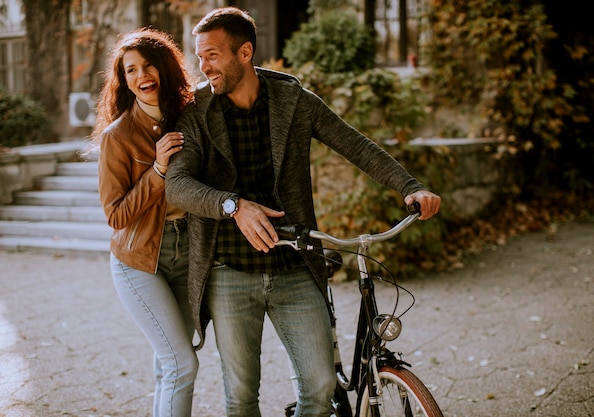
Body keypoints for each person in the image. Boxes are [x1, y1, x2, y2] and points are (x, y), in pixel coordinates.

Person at [165, 6, 442, 417]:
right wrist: (233, 206)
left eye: (211, 55)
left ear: (245, 53)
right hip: (228, 272)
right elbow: (178, 184)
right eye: (199, 55)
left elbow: (356, 145)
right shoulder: (197, 113)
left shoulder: (293, 101)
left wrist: (411, 187)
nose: (202, 66)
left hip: (294, 265)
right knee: (241, 399)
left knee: (321, 386)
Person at [91, 28, 198, 417]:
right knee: (182, 364)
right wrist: (157, 168)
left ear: (165, 68)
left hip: (189, 253)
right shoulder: (117, 137)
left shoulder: (190, 116)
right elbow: (115, 215)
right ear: (124, 80)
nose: (141, 75)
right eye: (130, 70)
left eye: (148, 65)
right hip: (138, 261)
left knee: (169, 362)